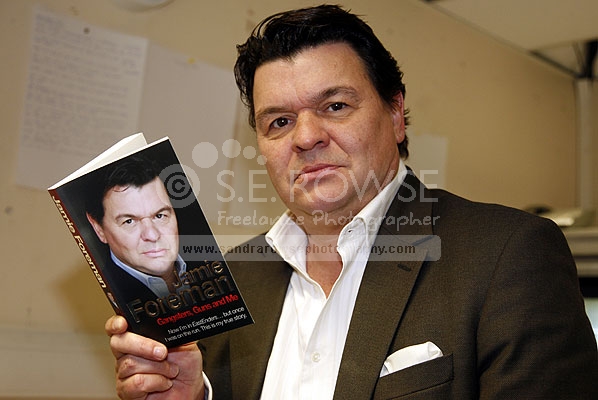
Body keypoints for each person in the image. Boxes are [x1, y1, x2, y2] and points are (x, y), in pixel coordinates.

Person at [105, 4, 598, 399]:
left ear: (396, 113)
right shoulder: (232, 281)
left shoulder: (508, 254)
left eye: (335, 106)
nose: (306, 137)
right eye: (279, 121)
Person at [86, 156, 184, 299]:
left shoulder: (211, 263)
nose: (152, 235)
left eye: (159, 216)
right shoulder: (101, 297)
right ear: (99, 229)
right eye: (129, 221)